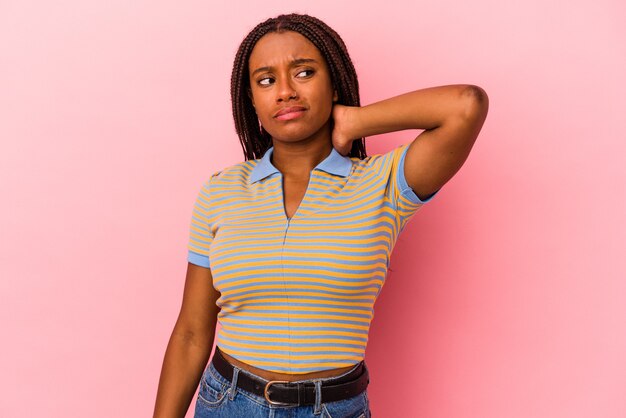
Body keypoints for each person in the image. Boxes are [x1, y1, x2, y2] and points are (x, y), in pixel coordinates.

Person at [153, 13, 488, 418]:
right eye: (266, 80)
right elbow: (191, 333)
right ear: (252, 99)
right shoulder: (221, 191)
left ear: (333, 84)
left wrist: (356, 119)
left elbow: (466, 105)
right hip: (228, 402)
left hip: (335, 409)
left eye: (304, 72)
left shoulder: (383, 183)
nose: (285, 92)